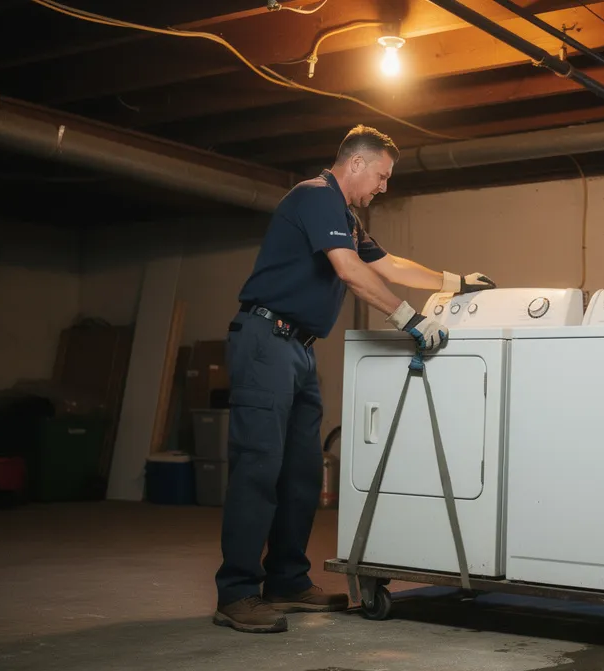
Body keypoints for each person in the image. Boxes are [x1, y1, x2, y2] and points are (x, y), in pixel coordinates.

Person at [213, 125, 496, 633]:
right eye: (382, 176)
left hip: (296, 349)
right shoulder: (317, 196)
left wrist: (455, 282)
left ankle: (286, 581)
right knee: (259, 469)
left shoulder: (342, 215)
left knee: (300, 474)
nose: (383, 188)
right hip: (264, 342)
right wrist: (409, 319)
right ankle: (236, 594)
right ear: (358, 163)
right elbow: (348, 271)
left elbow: (386, 264)